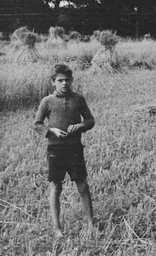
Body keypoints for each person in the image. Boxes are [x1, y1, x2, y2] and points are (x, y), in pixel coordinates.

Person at [34, 63, 96, 238]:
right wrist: (50, 131)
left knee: (82, 185)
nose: (64, 84)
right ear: (53, 82)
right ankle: (57, 228)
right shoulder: (47, 101)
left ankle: (91, 224)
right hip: (55, 149)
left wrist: (81, 125)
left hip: (75, 148)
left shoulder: (79, 99)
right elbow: (37, 124)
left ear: (72, 81)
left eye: (67, 80)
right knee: (56, 186)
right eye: (60, 80)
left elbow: (90, 120)